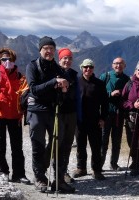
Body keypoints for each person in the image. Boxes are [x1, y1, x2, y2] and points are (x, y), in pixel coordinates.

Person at [25, 36, 74, 193]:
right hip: (36, 110)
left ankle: (58, 180)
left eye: (52, 48)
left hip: (53, 110)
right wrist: (54, 82)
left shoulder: (58, 69)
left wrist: (64, 89)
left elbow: (62, 94)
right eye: (46, 48)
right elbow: (34, 89)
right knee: (37, 145)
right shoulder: (32, 66)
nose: (49, 51)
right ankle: (40, 178)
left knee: (57, 144)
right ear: (40, 50)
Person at [0, 48, 30, 185]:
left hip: (15, 115)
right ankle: (2, 171)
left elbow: (25, 93)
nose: (7, 61)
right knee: (0, 145)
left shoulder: (20, 77)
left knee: (17, 146)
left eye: (9, 59)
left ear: (13, 60)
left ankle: (19, 174)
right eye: (4, 59)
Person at [72, 59, 109, 181]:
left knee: (96, 146)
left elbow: (105, 103)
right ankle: (81, 168)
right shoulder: (76, 82)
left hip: (95, 120)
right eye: (86, 67)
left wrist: (103, 118)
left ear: (93, 68)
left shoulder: (99, 84)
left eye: (90, 67)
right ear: (81, 68)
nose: (88, 69)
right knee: (81, 146)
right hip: (80, 121)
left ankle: (96, 170)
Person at [99, 57, 130, 171]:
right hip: (105, 114)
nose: (118, 65)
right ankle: (99, 165)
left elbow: (129, 97)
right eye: (116, 63)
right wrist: (110, 94)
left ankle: (114, 164)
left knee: (116, 141)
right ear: (112, 65)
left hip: (119, 114)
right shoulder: (105, 76)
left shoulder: (127, 80)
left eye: (121, 63)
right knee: (103, 140)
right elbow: (97, 93)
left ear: (124, 66)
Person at [57, 48, 80, 183]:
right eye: (65, 58)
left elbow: (77, 96)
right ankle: (57, 172)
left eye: (70, 58)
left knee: (67, 143)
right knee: (58, 143)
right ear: (60, 59)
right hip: (58, 113)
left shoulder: (73, 75)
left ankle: (63, 171)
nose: (67, 61)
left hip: (71, 113)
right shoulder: (54, 73)